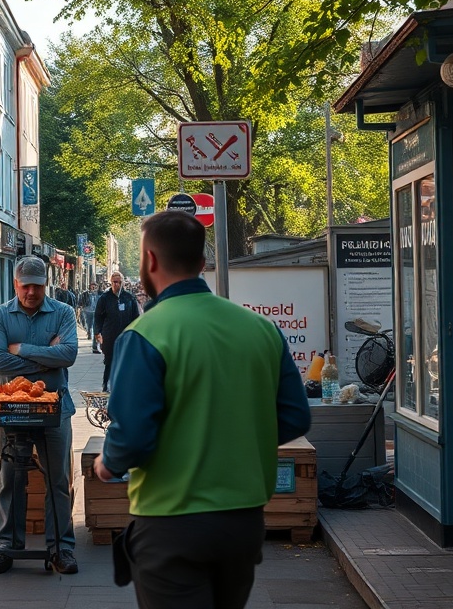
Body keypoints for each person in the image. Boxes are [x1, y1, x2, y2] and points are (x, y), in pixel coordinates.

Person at [93, 211, 311, 609]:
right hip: (243, 522)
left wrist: (108, 464)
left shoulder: (145, 335)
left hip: (170, 522)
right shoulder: (261, 329)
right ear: (201, 263)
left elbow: (133, 436)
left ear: (151, 261)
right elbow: (296, 416)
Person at [0, 255, 79, 575]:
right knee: (8, 479)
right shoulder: (0, 315)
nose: (31, 293)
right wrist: (46, 361)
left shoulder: (63, 312)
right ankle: (5, 546)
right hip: (10, 410)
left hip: (56, 409)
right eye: (25, 286)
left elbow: (68, 354)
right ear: (15, 283)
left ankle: (61, 548)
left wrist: (20, 349)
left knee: (58, 479)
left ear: (45, 285)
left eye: (37, 287)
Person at [94, 271, 141, 391]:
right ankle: (106, 385)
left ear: (123, 282)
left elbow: (136, 317)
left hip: (126, 335)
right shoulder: (105, 298)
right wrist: (97, 333)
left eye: (119, 282)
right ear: (111, 282)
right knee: (109, 361)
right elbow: (98, 317)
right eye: (114, 282)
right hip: (109, 335)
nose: (117, 285)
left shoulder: (129, 298)